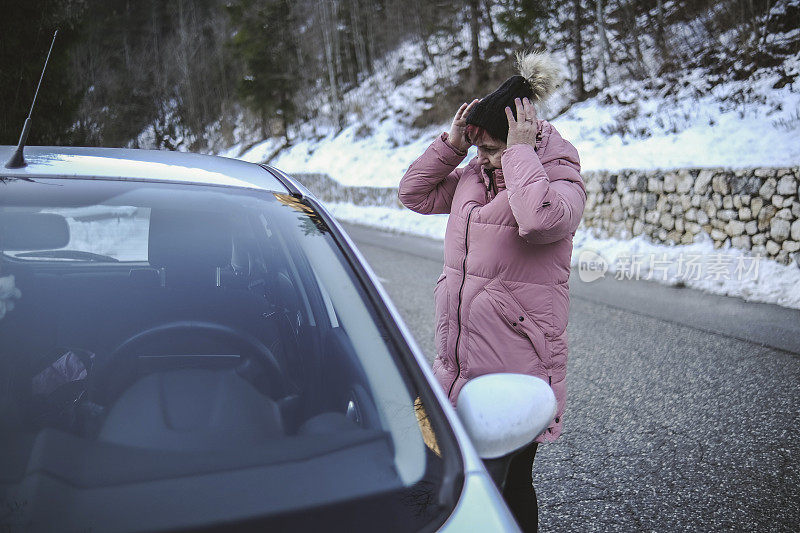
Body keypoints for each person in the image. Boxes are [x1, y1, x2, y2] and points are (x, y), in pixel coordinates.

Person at [398, 51, 586, 532]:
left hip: (517, 366)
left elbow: (540, 219)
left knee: (511, 483)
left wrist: (518, 154)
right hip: (460, 360)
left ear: (520, 138)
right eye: (477, 148)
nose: (480, 157)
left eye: (489, 148)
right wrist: (452, 144)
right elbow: (413, 194)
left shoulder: (560, 178)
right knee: (457, 479)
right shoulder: (472, 179)